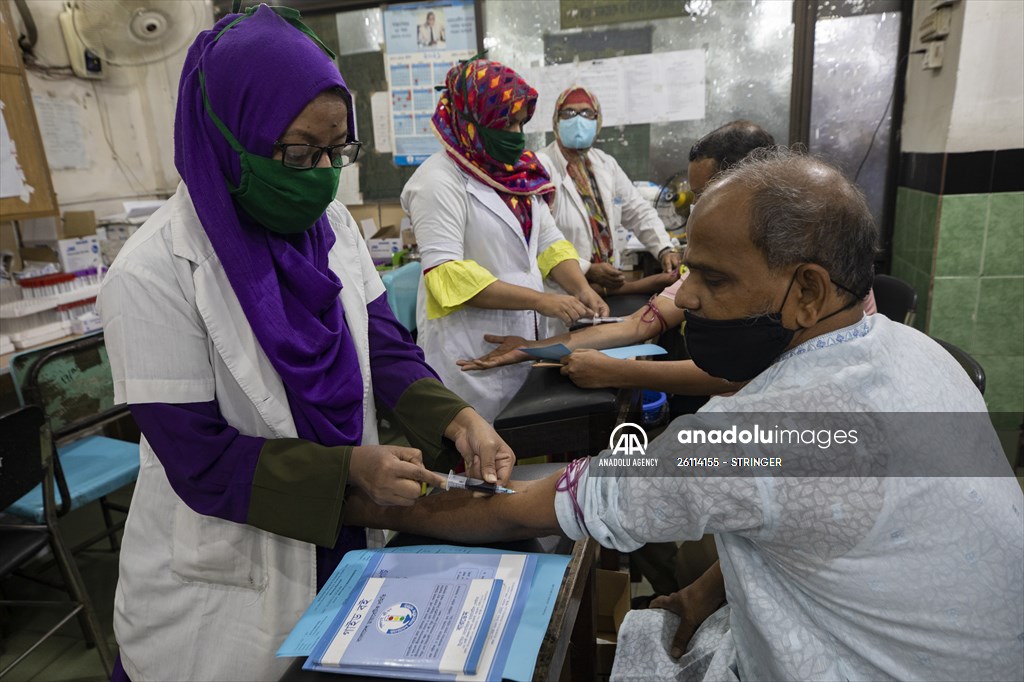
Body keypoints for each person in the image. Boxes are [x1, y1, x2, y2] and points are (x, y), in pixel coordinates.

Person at [347, 149, 1024, 681]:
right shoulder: (916, 353)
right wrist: (702, 593)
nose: (688, 299)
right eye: (688, 271)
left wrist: (359, 502)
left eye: (715, 278)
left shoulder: (755, 439)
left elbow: (518, 509)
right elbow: (810, 513)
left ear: (809, 290)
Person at [97, 8, 514, 680]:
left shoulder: (332, 229)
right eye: (298, 153)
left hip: (346, 528)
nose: (322, 174)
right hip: (232, 574)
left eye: (336, 150)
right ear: (233, 133)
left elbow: (386, 348)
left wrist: (456, 416)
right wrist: (349, 468)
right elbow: (201, 462)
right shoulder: (152, 273)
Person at [459, 120, 778, 398]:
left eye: (705, 195)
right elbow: (636, 326)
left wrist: (617, 372)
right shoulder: (716, 257)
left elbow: (739, 375)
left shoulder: (778, 262)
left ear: (750, 185)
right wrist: (529, 348)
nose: (696, 208)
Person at [402, 59, 607, 422]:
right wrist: (542, 300)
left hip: (525, 342)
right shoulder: (437, 182)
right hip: (469, 351)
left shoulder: (518, 173)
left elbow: (549, 243)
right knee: (479, 461)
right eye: (506, 123)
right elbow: (446, 276)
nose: (516, 133)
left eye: (520, 123)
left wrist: (580, 288)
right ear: (472, 121)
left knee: (528, 448)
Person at [536, 86, 681, 334]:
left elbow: (638, 210)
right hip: (560, 292)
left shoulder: (604, 164)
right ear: (556, 120)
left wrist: (664, 247)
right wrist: (587, 268)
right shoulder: (541, 167)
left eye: (586, 113)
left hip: (606, 291)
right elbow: (540, 238)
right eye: (569, 113)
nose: (578, 120)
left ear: (598, 120)